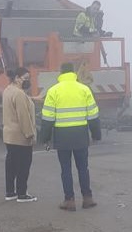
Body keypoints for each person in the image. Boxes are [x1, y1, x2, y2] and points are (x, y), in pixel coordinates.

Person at [40, 63, 102, 211]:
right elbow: (93, 115)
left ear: (61, 73)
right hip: (80, 135)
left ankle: (69, 200)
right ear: (73, 73)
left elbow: (47, 118)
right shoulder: (84, 89)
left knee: (66, 169)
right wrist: (96, 135)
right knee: (83, 168)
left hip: (62, 137)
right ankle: (87, 198)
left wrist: (45, 138)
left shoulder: (53, 91)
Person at [2, 67, 38, 203]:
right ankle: (22, 194)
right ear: (17, 77)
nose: (28, 81)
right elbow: (24, 117)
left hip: (9, 136)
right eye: (26, 78)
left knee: (11, 166)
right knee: (23, 166)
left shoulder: (8, 90)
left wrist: (32, 98)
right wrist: (30, 134)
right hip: (20, 137)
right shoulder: (19, 94)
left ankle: (10, 192)